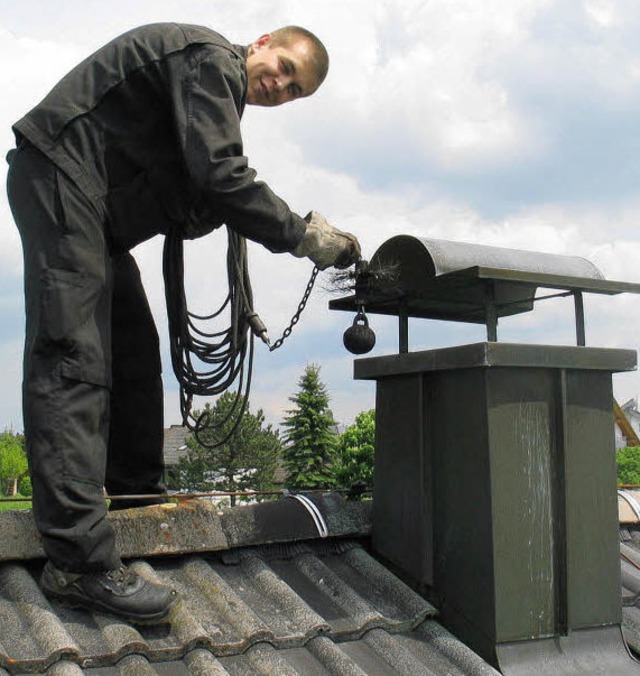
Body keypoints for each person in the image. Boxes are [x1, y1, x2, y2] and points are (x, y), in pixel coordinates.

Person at [6, 22, 360, 624]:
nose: (280, 87)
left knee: (136, 357)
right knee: (74, 356)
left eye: (294, 91)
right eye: (284, 69)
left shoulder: (209, 98)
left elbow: (193, 185)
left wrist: (203, 207)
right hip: (62, 180)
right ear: (263, 42)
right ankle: (78, 564)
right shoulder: (209, 60)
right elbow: (221, 175)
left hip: (97, 218)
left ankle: (135, 501)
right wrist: (302, 235)